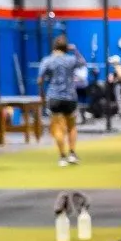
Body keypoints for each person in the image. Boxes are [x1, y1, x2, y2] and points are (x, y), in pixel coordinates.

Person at [37, 35, 88, 167]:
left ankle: (62, 157)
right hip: (70, 98)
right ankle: (72, 154)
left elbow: (40, 80)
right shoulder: (71, 60)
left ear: (54, 46)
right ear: (66, 48)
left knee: (58, 128)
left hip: (54, 97)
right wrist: (75, 50)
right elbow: (83, 62)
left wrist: (42, 95)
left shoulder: (47, 61)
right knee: (72, 126)